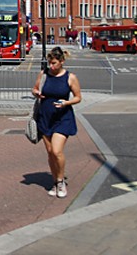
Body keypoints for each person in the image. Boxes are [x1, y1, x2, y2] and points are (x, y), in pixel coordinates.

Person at [31, 47, 82, 198]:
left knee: (56, 151)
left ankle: (60, 181)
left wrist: (66, 103)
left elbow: (78, 97)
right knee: (50, 153)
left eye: (54, 63)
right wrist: (36, 93)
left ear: (62, 62)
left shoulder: (70, 77)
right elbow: (34, 88)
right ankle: (55, 181)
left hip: (63, 117)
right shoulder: (44, 74)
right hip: (45, 117)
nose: (51, 66)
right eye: (49, 63)